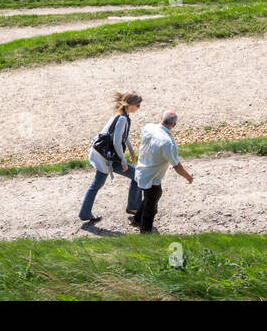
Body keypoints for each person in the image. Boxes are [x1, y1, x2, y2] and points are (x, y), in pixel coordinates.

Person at [78, 91, 143, 224]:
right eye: (138, 105)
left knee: (97, 184)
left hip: (103, 155)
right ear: (130, 105)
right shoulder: (123, 118)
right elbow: (116, 142)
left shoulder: (119, 115)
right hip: (109, 158)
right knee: (137, 177)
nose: (139, 108)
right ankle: (133, 207)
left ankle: (85, 213)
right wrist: (123, 160)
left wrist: (131, 151)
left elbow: (123, 136)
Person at [131, 110, 192, 233]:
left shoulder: (148, 127)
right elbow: (177, 166)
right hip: (152, 177)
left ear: (161, 118)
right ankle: (145, 233)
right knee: (151, 207)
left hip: (140, 171)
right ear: (174, 125)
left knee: (150, 197)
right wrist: (189, 177)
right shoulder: (168, 143)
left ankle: (137, 219)